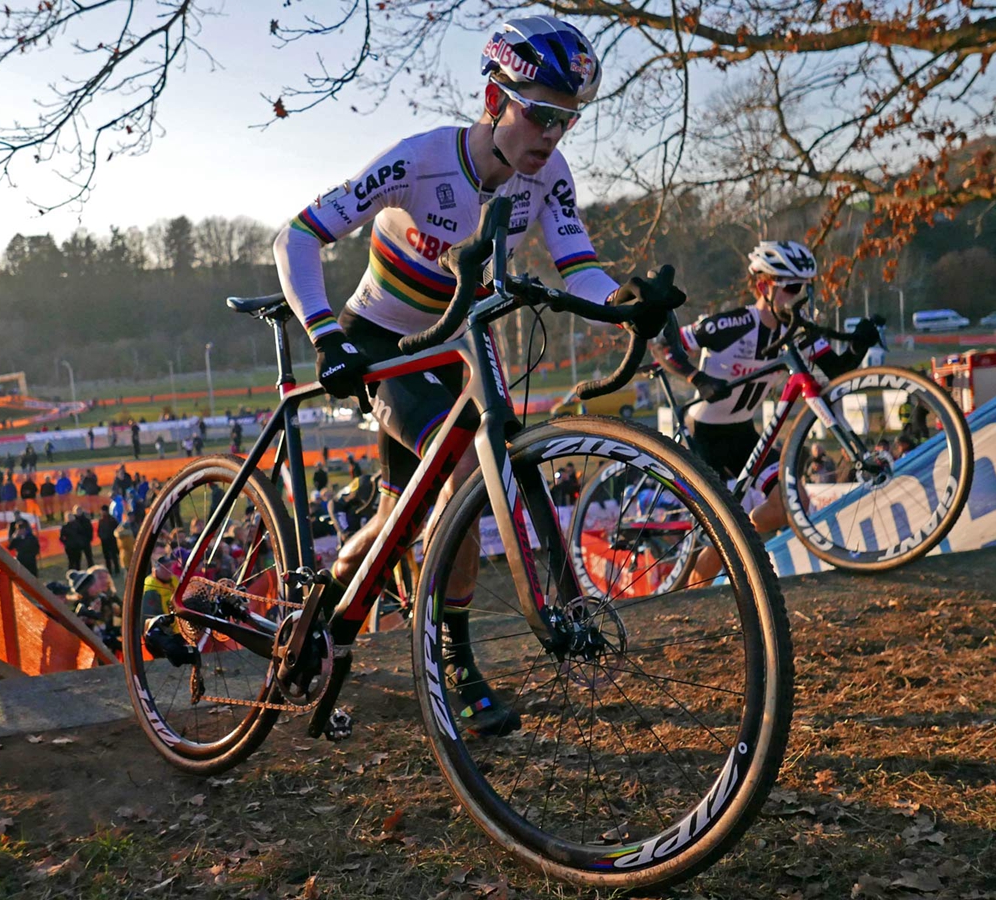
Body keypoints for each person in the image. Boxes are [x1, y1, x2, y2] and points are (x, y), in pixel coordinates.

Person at [265, 16, 679, 736]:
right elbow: (298, 234)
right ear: (495, 101)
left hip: (451, 347)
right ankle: (455, 664)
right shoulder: (419, 160)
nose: (551, 135)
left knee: (401, 523)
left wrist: (623, 303)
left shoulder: (547, 177)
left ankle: (331, 592)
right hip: (381, 341)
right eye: (539, 114)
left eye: (566, 120)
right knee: (463, 478)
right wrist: (324, 332)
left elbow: (576, 264)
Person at [653, 240, 881, 581]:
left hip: (745, 432)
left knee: (792, 505)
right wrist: (697, 378)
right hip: (704, 434)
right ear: (764, 286)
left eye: (805, 287)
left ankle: (733, 540)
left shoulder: (799, 332)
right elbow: (662, 344)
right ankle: (691, 594)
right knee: (720, 527)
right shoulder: (733, 324)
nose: (800, 295)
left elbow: (838, 375)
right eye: (791, 287)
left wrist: (859, 345)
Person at [98, 504, 121, 575]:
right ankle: (109, 570)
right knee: (107, 557)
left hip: (112, 540)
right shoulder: (101, 520)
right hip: (104, 541)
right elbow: (99, 530)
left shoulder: (112, 519)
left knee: (114, 556)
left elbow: (117, 529)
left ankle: (117, 570)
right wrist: (102, 537)